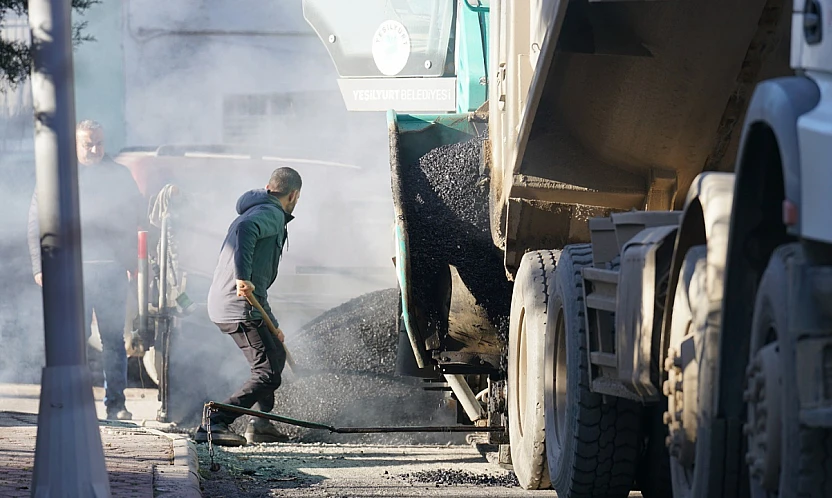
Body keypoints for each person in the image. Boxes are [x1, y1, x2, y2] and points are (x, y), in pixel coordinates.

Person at [27, 119, 146, 421]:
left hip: (111, 271)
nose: (94, 149)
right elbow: (36, 221)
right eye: (88, 144)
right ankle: (74, 404)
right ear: (75, 145)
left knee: (113, 340)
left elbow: (138, 216)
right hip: (71, 274)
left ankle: (116, 405)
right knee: (74, 341)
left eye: (99, 143)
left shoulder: (120, 176)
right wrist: (40, 266)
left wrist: (134, 261)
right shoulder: (57, 177)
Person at [196, 167, 302, 446]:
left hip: (238, 302)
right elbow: (247, 230)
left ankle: (261, 423)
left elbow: (259, 285)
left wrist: (275, 326)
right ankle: (214, 421)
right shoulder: (271, 213)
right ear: (294, 195)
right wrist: (242, 277)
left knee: (275, 354)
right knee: (267, 373)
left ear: (269, 187)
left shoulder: (260, 208)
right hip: (238, 305)